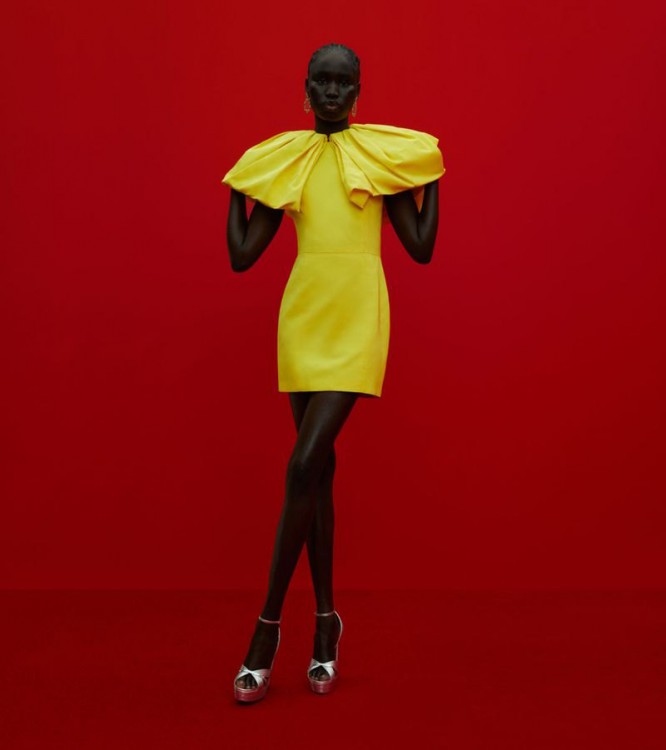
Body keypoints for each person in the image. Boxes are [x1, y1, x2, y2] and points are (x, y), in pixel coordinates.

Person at [221, 42, 445, 703]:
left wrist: (430, 178)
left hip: (357, 321)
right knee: (316, 475)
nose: (332, 91)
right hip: (303, 321)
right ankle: (326, 625)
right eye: (322, 80)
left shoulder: (376, 160)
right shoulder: (288, 162)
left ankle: (266, 630)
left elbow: (421, 248)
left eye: (344, 82)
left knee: (301, 465)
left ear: (358, 92)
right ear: (305, 88)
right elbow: (242, 255)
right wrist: (239, 190)